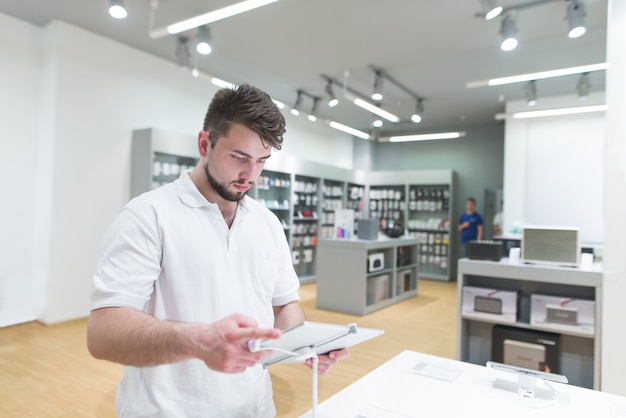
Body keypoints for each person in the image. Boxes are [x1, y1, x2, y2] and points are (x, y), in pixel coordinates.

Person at [87, 84, 348, 417]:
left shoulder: (266, 223)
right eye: (239, 157)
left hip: (255, 408)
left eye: (261, 161)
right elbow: (103, 334)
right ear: (204, 143)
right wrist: (197, 340)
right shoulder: (147, 217)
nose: (250, 175)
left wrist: (305, 344)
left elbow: (284, 305)